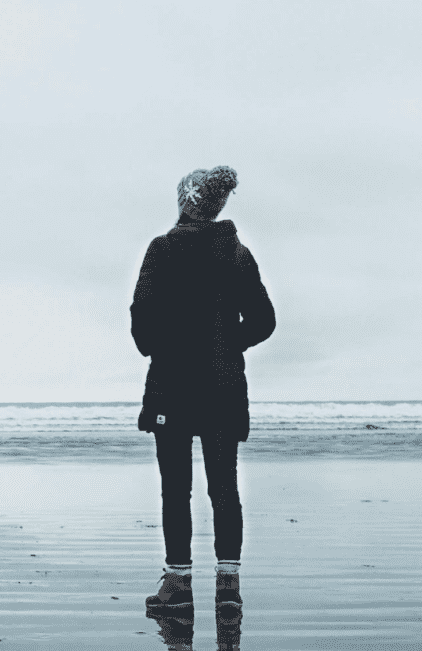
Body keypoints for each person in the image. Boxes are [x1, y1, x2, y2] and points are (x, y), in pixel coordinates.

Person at [131, 166, 275, 615]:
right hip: (224, 388)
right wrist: (226, 343)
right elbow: (264, 321)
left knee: (176, 489)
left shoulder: (162, 250)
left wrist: (169, 346)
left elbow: (142, 327)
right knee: (224, 488)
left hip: (171, 389)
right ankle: (228, 588)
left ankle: (178, 586)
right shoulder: (237, 254)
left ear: (185, 203)